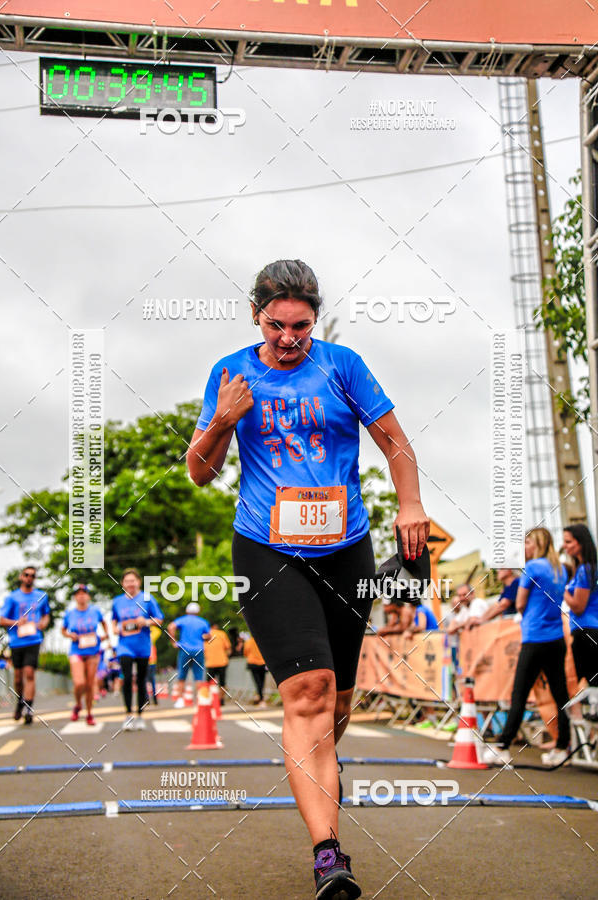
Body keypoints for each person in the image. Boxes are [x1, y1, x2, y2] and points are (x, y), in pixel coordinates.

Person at [187, 259, 429, 900]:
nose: (289, 338)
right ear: (255, 315)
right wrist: (223, 419)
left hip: (346, 549)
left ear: (315, 320)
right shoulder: (231, 372)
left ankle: (315, 757)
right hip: (267, 549)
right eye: (276, 325)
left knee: (337, 704)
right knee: (309, 692)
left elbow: (395, 442)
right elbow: (199, 473)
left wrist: (410, 504)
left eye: (301, 326)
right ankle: (329, 853)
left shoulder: (342, 366)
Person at [481, 527, 571, 767]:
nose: (524, 547)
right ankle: (562, 746)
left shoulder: (532, 567)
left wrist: (528, 612)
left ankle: (503, 746)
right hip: (556, 638)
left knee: (519, 694)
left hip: (534, 637)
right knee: (560, 694)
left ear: (538, 543)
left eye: (528, 542)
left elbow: (520, 602)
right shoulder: (560, 569)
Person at [111, 568, 163, 730]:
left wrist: (146, 622)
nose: (130, 584)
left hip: (143, 646)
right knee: (126, 678)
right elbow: (114, 620)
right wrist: (114, 628)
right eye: (127, 581)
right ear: (122, 583)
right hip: (125, 646)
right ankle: (128, 715)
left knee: (141, 680)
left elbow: (159, 619)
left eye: (133, 581)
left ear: (139, 582)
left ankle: (140, 715)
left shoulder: (147, 598)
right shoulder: (117, 601)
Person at [0, 566, 50, 724]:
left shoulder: (41, 596)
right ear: (21, 577)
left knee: (29, 673)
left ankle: (29, 707)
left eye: (32, 575)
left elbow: (46, 615)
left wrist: (43, 623)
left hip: (33, 640)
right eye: (27, 574)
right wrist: (16, 622)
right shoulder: (12, 597)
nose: (29, 577)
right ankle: (20, 702)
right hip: (16, 642)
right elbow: (1, 619)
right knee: (18, 678)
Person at [61, 584, 110, 726]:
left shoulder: (95, 611)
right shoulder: (70, 614)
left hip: (93, 651)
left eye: (84, 593)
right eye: (78, 593)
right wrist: (70, 635)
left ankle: (89, 713)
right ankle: (78, 704)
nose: (81, 596)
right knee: (79, 683)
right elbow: (63, 630)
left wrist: (105, 635)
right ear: (75, 597)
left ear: (88, 596)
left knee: (89, 685)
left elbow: (104, 623)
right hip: (76, 650)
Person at [562, 523, 598, 688]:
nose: (565, 546)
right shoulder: (583, 569)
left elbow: (578, 606)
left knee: (590, 684)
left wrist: (562, 590)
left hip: (587, 630)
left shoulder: (586, 570)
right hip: (585, 630)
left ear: (581, 542)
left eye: (568, 542)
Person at [167, 602, 211, 709]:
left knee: (182, 675)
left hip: (184, 650)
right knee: (199, 676)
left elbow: (171, 626)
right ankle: (199, 700)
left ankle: (180, 700)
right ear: (198, 612)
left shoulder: (183, 620)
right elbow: (208, 636)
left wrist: (174, 642)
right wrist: (202, 637)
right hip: (198, 650)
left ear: (187, 611)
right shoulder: (203, 622)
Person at [204, 623, 232, 704]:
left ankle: (211, 699)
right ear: (215, 626)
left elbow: (202, 649)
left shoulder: (205, 635)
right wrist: (226, 657)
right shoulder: (222, 634)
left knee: (209, 682)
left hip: (210, 663)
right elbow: (228, 648)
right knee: (222, 683)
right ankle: (221, 700)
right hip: (222, 662)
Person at [243, 633, 267, 706]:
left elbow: (245, 653)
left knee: (257, 682)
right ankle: (260, 697)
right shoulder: (262, 641)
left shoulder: (248, 642)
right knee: (262, 681)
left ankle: (260, 697)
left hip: (252, 663)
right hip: (262, 663)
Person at [147, 623, 160, 705]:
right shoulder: (152, 636)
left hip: (149, 661)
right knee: (152, 680)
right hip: (152, 661)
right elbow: (157, 631)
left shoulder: (144, 638)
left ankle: (146, 699)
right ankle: (154, 699)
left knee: (145, 680)